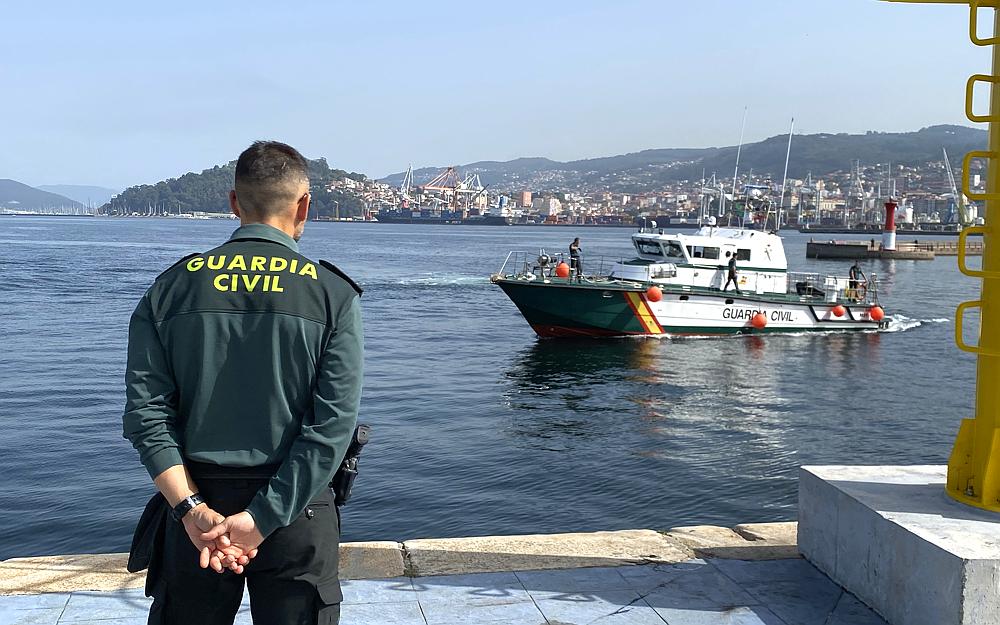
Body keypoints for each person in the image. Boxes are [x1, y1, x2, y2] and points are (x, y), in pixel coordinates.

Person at [123, 141, 363, 625]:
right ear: (304, 206)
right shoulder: (332, 295)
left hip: (196, 511)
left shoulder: (170, 288)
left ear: (234, 202)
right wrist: (261, 518)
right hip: (297, 509)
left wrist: (192, 509)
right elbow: (331, 427)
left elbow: (146, 415)